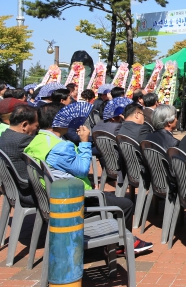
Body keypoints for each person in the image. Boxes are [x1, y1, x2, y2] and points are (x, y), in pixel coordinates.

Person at [44, 104, 153, 254]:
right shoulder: (60, 147)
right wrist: (84, 142)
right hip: (71, 199)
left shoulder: (40, 140)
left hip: (56, 194)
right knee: (126, 204)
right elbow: (83, 170)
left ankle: (118, 239)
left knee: (110, 196)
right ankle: (123, 244)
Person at [0, 105, 39, 207]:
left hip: (12, 191)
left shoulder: (4, 135)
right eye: (36, 126)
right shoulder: (23, 140)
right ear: (25, 125)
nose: (36, 130)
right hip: (27, 193)